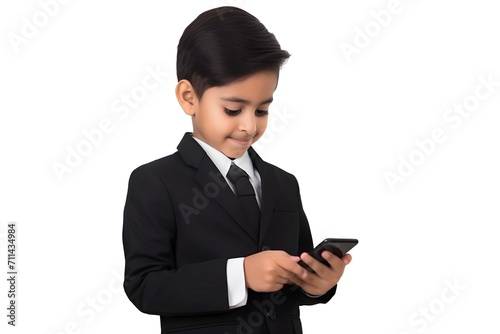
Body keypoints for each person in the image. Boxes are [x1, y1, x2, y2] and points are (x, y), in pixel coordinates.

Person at [122, 6, 352, 334]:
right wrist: (240, 274)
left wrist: (317, 285)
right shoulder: (155, 182)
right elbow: (144, 286)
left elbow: (295, 280)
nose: (248, 126)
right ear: (189, 97)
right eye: (232, 109)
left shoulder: (284, 183)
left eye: (262, 110)